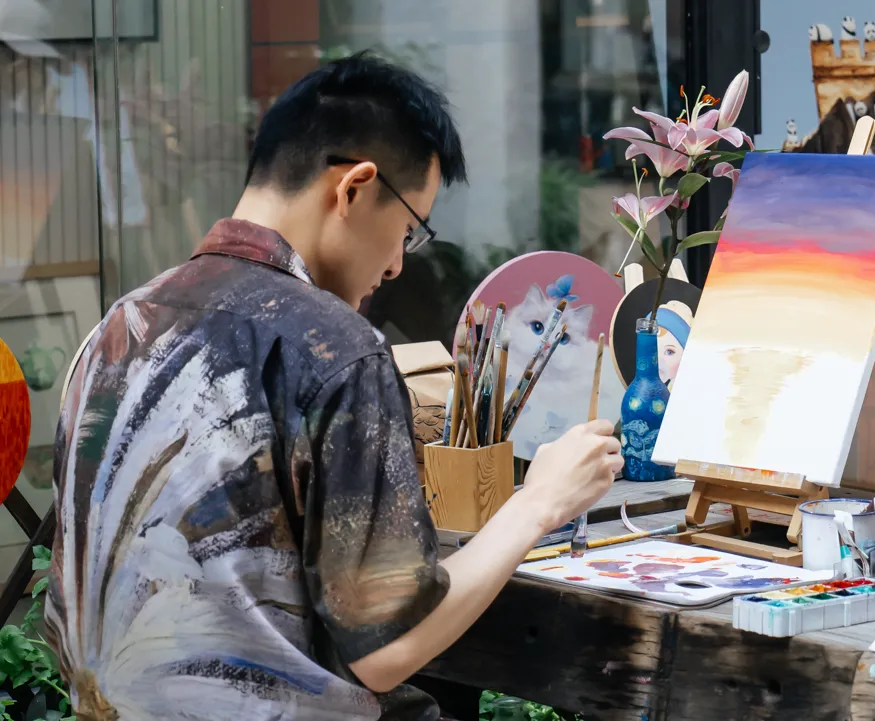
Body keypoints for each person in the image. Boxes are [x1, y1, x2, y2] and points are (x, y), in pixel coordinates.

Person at [44, 51, 622, 721]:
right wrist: (539, 502)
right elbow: (390, 645)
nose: (398, 263)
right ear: (354, 188)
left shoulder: (119, 326)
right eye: (408, 229)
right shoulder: (335, 348)